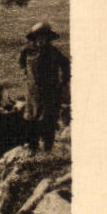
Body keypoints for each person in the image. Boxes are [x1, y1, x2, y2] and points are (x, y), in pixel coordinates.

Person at [18, 22, 70, 151]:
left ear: (48, 38)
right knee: (31, 120)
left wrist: (64, 82)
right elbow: (21, 64)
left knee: (49, 121)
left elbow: (66, 64)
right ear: (34, 37)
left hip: (50, 92)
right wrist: (28, 76)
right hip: (33, 93)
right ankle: (33, 149)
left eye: (44, 36)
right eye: (39, 36)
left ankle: (47, 149)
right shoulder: (27, 51)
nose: (42, 39)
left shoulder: (53, 52)